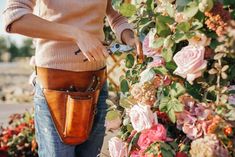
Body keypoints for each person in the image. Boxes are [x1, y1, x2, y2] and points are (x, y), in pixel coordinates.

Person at [2, 0, 140, 157]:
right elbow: (14, 17)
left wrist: (129, 37)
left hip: (97, 84)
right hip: (54, 88)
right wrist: (76, 34)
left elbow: (116, 16)